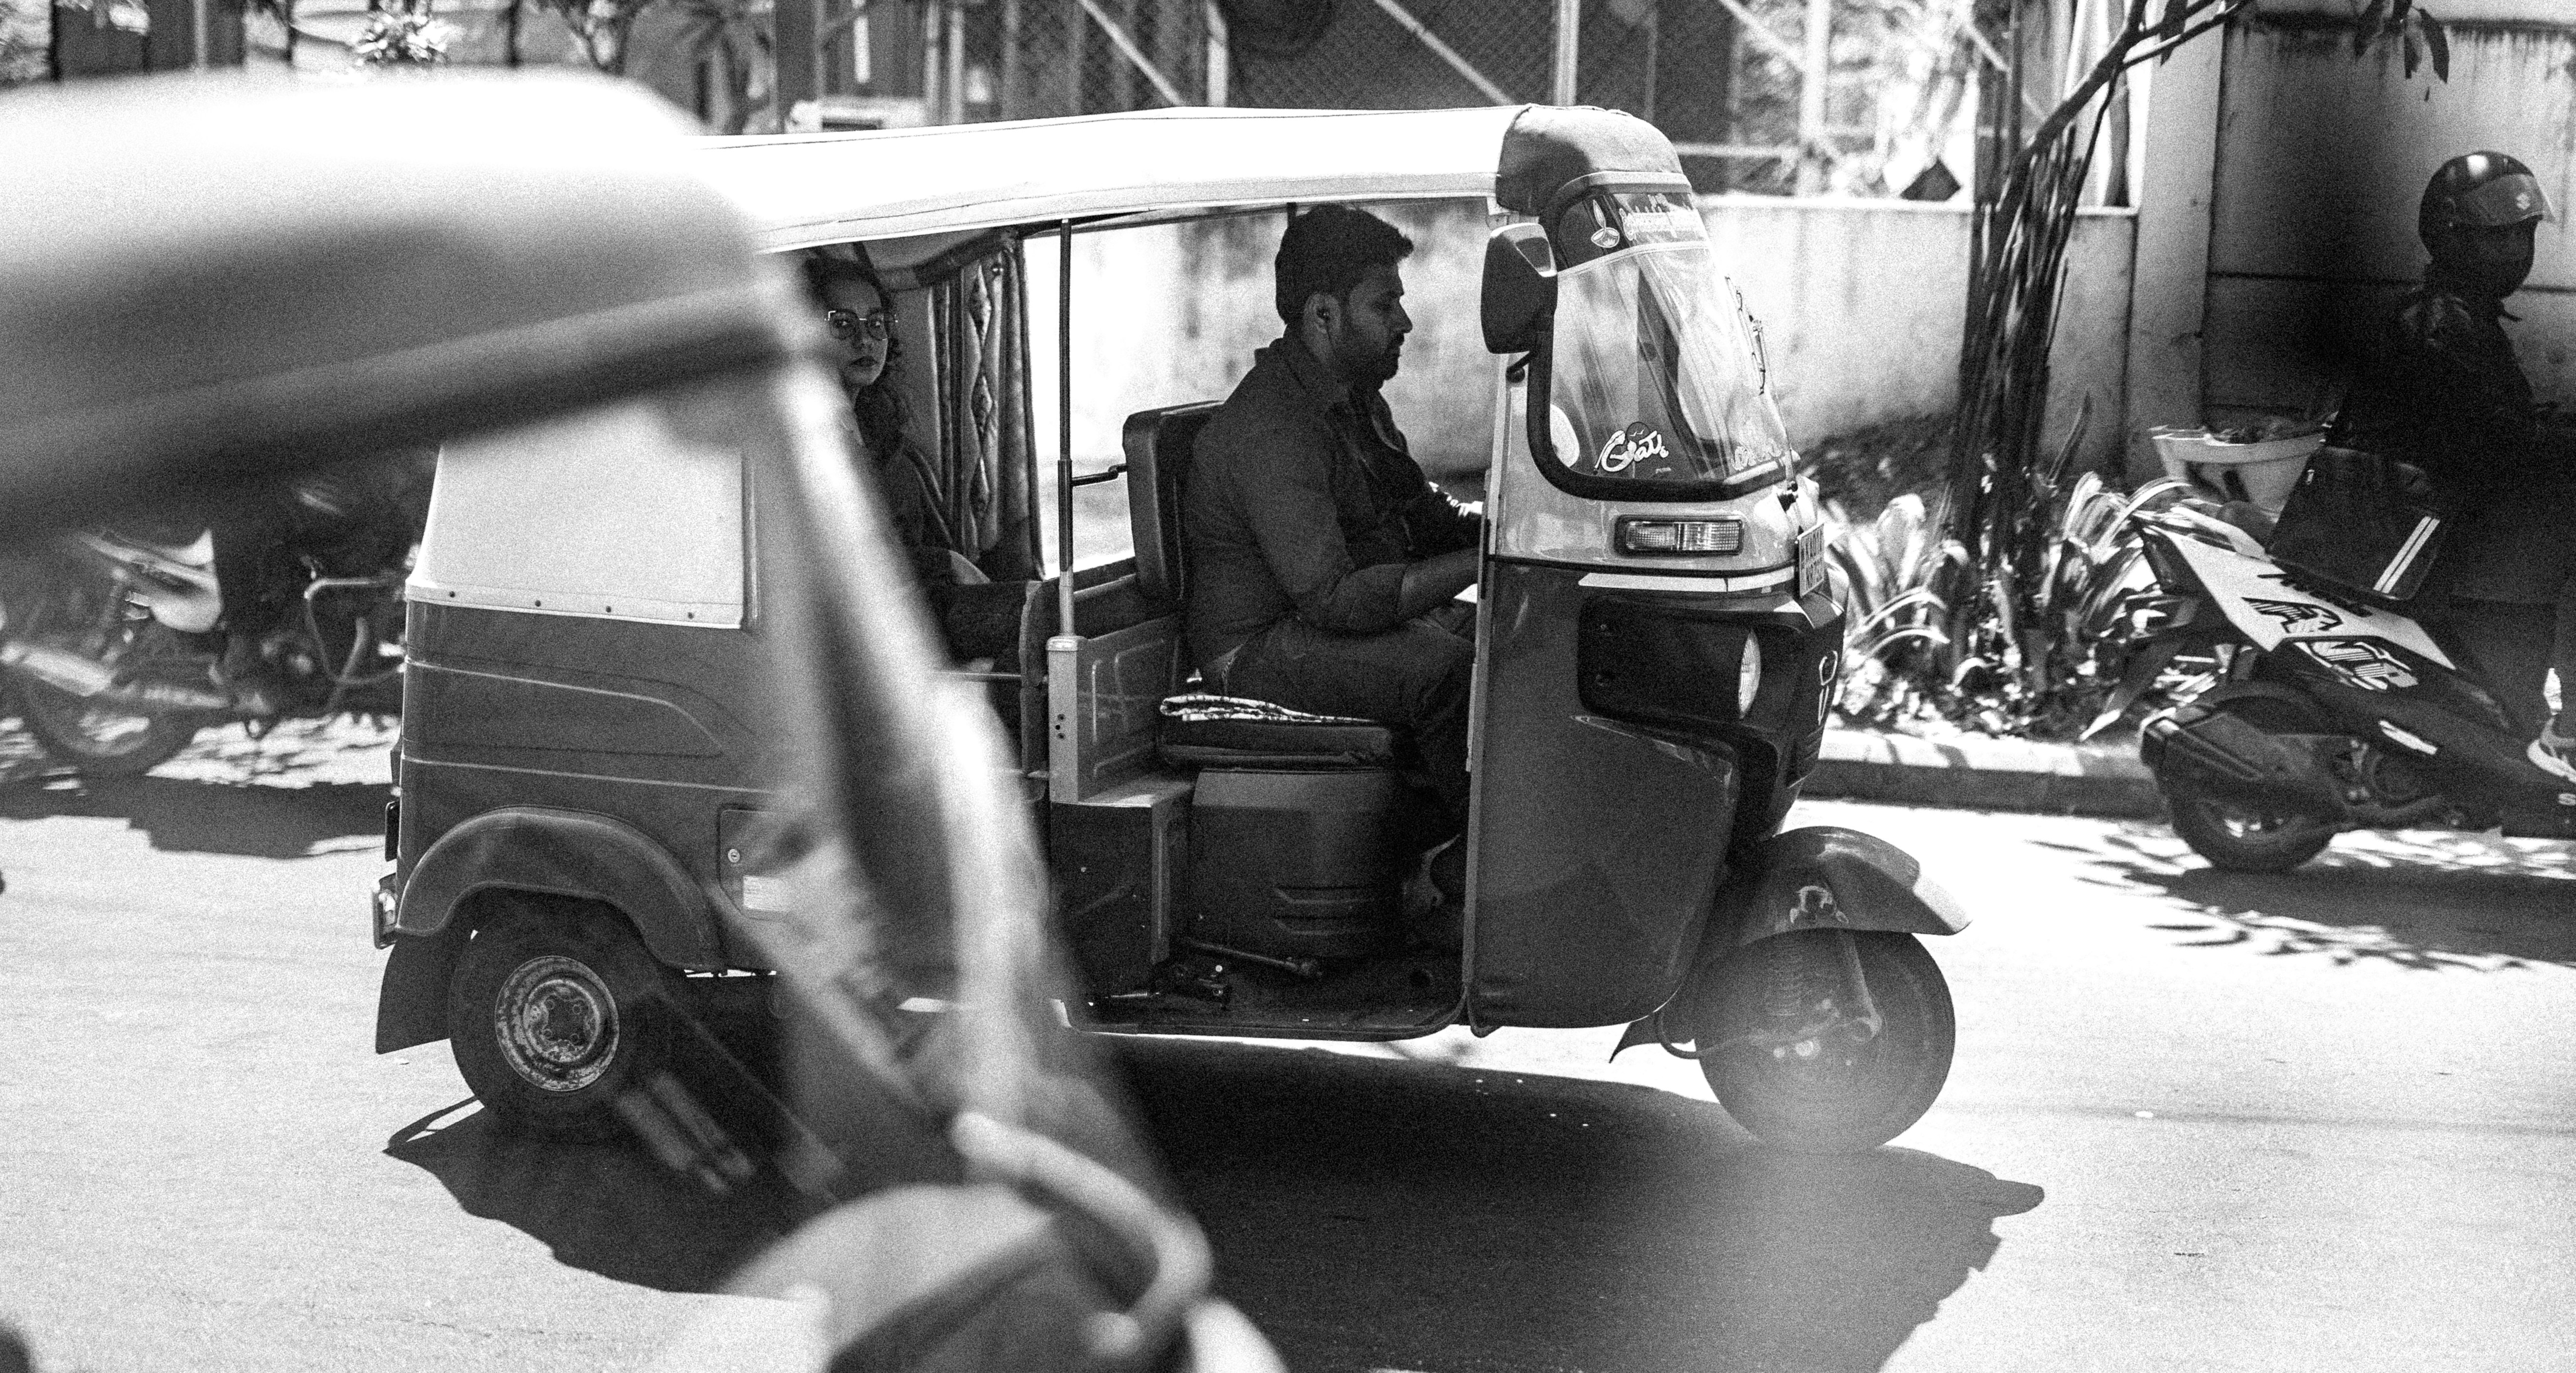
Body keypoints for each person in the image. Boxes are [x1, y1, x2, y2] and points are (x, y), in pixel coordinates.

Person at [1182, 205, 1483, 833]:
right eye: (1384, 305)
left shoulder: (1355, 399)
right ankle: (1476, 859)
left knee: (1513, 639)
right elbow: (1335, 600)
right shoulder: (1274, 428)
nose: (1405, 321)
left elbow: (1422, 511)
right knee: (1449, 673)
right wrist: (1481, 561)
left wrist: (1507, 525)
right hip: (1262, 646)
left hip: (1325, 615)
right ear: (1323, 313)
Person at [2328, 150, 2576, 779]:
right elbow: (2494, 441)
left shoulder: (2459, 315)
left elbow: (2495, 428)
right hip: (2426, 527)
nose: (2515, 251)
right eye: (2498, 236)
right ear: (2452, 237)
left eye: (2522, 235)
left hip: (2442, 509)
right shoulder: (2441, 325)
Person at [804, 253, 1023, 671]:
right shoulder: (805, 438)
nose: (865, 340)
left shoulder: (879, 428)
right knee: (1047, 617)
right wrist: (945, 563)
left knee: (1062, 603)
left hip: (924, 602)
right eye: (843, 324)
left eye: (876, 324)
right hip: (876, 622)